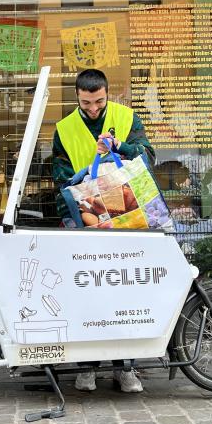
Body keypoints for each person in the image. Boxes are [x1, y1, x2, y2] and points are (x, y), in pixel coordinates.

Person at [52, 68, 155, 393]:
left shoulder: (127, 118)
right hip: (86, 220)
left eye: (98, 101)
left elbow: (148, 157)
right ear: (77, 97)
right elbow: (59, 176)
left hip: (128, 218)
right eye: (86, 102)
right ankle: (87, 368)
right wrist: (83, 177)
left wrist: (120, 146)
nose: (93, 108)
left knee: (124, 294)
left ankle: (126, 368)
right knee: (87, 296)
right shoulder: (64, 129)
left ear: (107, 94)